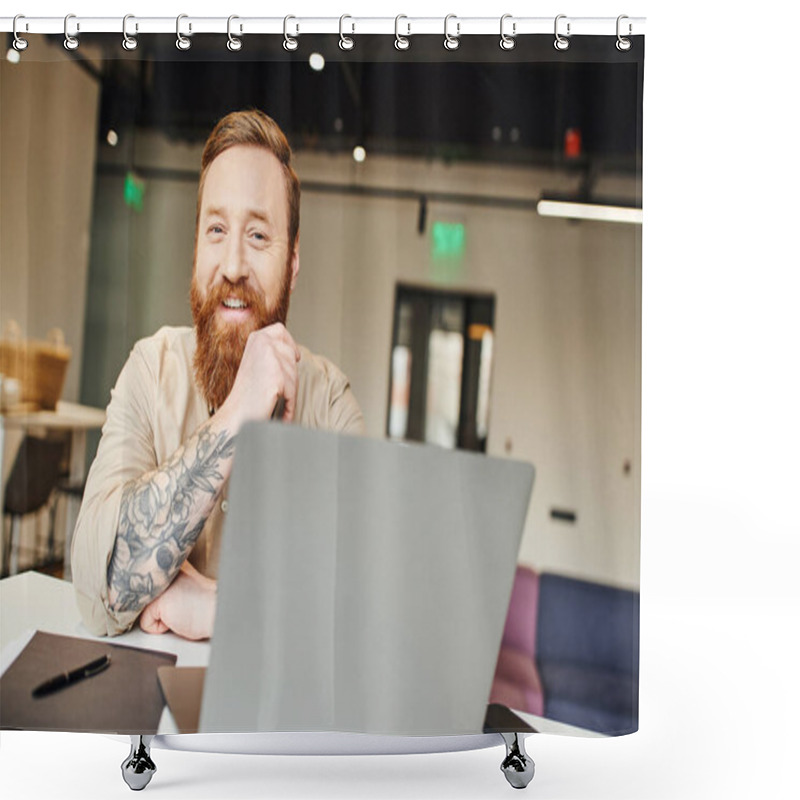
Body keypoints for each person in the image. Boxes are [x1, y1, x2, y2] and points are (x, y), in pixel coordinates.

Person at [71, 110, 365, 640]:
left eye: (257, 235)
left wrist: (214, 608)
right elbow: (101, 588)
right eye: (216, 229)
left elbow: (362, 617)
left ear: (292, 264)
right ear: (196, 247)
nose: (232, 264)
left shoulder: (330, 404)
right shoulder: (149, 369)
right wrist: (236, 413)